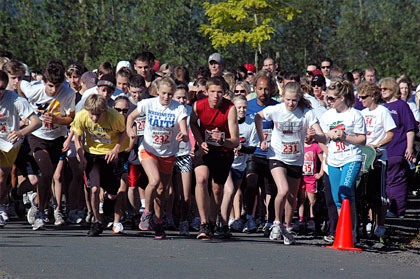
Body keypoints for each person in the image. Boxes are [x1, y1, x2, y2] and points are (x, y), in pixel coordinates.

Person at [255, 81, 325, 245]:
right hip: (277, 155)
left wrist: (316, 136)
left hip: (296, 158)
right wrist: (262, 139)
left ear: (299, 98)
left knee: (292, 197)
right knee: (283, 190)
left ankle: (287, 227)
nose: (290, 103)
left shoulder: (306, 113)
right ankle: (276, 223)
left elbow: (320, 134)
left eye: (294, 100)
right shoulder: (276, 110)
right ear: (282, 98)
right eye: (287, 100)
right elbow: (258, 117)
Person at [126, 76, 188, 239]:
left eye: (170, 94)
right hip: (148, 149)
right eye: (164, 94)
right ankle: (146, 212)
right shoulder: (148, 104)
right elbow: (131, 117)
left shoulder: (178, 109)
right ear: (157, 92)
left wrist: (184, 136)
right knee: (154, 181)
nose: (167, 97)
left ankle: (159, 222)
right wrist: (129, 131)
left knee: (162, 190)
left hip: (167, 153)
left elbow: (184, 130)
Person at [19, 59, 76, 230]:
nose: (54, 90)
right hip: (37, 136)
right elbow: (20, 85)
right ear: (44, 81)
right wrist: (25, 112)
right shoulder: (34, 90)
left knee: (47, 177)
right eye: (50, 86)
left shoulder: (68, 93)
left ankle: (38, 205)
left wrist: (57, 119)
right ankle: (39, 213)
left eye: (57, 86)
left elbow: (71, 118)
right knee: (47, 172)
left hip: (57, 137)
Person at [190, 76, 239, 239]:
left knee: (217, 189)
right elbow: (193, 124)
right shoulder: (198, 105)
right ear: (206, 92)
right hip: (204, 149)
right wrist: (199, 140)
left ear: (224, 93)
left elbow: (236, 141)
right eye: (212, 92)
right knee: (201, 179)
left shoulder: (230, 108)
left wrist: (223, 140)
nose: (216, 96)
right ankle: (203, 222)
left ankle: (211, 222)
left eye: (219, 92)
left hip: (223, 151)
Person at [72, 94, 127, 236]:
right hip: (92, 153)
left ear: (104, 111)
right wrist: (81, 155)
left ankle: (108, 206)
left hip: (111, 154)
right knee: (95, 189)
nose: (94, 118)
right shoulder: (82, 116)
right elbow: (77, 136)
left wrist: (116, 149)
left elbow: (124, 132)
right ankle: (96, 221)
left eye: (98, 115)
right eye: (92, 114)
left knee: (113, 194)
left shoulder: (114, 117)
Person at [320, 79, 366, 241]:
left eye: (331, 98)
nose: (328, 101)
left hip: (351, 157)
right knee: (337, 197)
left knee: (345, 191)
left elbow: (362, 140)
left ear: (342, 98)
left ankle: (352, 230)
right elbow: (323, 137)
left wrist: (345, 136)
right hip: (333, 159)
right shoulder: (327, 116)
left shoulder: (355, 115)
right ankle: (343, 230)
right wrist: (315, 137)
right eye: (327, 98)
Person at [0, 70, 41, 227]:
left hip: (10, 144)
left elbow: (36, 122)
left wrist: (20, 132)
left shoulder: (15, 99)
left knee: (3, 179)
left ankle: (4, 203)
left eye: (1, 88)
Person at [358, 81, 396, 238]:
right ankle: (367, 221)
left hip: (378, 157)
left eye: (364, 97)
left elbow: (391, 133)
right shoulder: (362, 113)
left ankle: (380, 224)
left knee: (378, 193)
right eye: (359, 97)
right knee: (364, 192)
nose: (361, 100)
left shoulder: (383, 111)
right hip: (364, 156)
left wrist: (378, 144)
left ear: (373, 96)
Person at [243, 71, 278, 234]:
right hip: (254, 153)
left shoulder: (276, 107)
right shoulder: (248, 106)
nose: (263, 92)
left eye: (266, 89)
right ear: (254, 89)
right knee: (251, 184)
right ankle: (250, 218)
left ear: (271, 89)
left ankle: (270, 220)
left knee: (270, 189)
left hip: (271, 154)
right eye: (260, 89)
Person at [380, 77, 417, 218]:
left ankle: (397, 210)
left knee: (396, 180)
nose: (382, 91)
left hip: (397, 148)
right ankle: (387, 207)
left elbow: (410, 128)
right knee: (385, 181)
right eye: (381, 89)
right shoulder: (382, 107)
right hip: (383, 150)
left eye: (385, 89)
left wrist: (409, 147)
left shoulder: (401, 106)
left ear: (392, 89)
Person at [225, 95, 257, 232]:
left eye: (244, 107)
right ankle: (228, 220)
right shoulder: (227, 121)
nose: (242, 110)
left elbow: (253, 147)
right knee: (230, 190)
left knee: (235, 192)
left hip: (240, 163)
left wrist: (241, 148)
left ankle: (234, 219)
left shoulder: (251, 123)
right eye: (239, 107)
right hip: (227, 162)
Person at [171, 83, 193, 235]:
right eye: (178, 97)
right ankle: (168, 218)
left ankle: (184, 221)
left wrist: (194, 147)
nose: (181, 100)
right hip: (168, 154)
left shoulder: (191, 111)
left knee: (185, 194)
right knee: (170, 192)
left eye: (184, 98)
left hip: (185, 155)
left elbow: (196, 131)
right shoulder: (168, 110)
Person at [296, 133, 324, 231]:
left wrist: (320, 173)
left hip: (311, 177)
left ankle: (312, 219)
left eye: (308, 134)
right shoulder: (299, 145)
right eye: (305, 134)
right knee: (301, 199)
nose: (306, 136)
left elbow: (323, 160)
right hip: (301, 177)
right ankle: (301, 219)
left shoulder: (315, 146)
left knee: (312, 200)